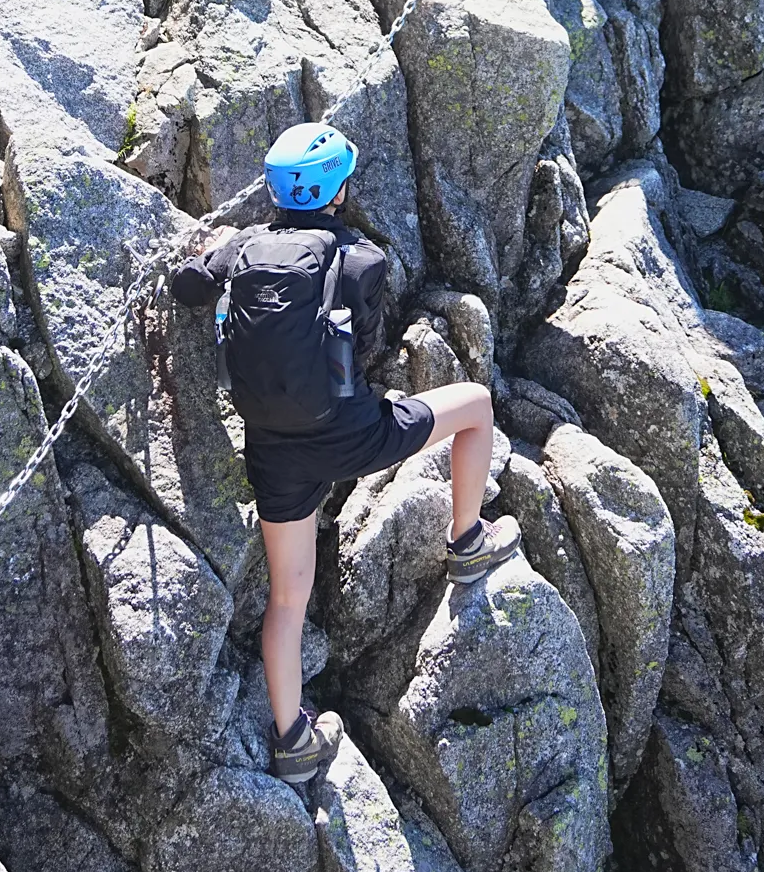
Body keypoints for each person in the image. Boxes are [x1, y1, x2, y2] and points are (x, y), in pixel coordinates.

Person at [169, 122, 520, 785]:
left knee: (286, 599)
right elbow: (366, 352)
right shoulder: (361, 259)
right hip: (354, 436)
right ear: (337, 190)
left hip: (274, 453)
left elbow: (186, 290)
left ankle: (294, 742)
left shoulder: (242, 245)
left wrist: (207, 251)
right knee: (474, 404)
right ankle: (468, 540)